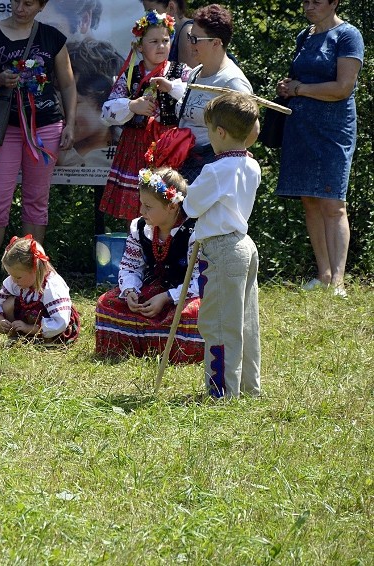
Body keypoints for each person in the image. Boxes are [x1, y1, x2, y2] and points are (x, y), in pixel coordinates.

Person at [0, 0, 77, 285]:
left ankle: (33, 275)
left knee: (37, 201)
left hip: (46, 127)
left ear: (41, 6)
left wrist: (71, 123)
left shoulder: (52, 37)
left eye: (28, 3)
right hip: (3, 128)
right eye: (16, 1)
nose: (20, 8)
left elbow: (67, 84)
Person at [275, 0, 363, 298]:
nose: (308, 6)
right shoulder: (305, 35)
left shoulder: (348, 35)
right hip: (300, 126)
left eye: (316, 1)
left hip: (333, 129)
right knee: (310, 199)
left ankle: (338, 281)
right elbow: (300, 78)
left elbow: (343, 87)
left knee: (333, 203)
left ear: (334, 2)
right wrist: (287, 87)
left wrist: (300, 89)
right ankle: (324, 275)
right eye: (305, 1)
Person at [181, 92, 261, 398]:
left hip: (223, 249)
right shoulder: (251, 165)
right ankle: (247, 388)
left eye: (210, 129)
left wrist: (184, 193)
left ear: (221, 132)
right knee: (244, 321)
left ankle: (222, 392)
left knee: (217, 322)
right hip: (244, 244)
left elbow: (190, 205)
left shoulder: (215, 171)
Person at [95, 167, 202, 362]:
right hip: (151, 290)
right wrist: (130, 291)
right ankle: (141, 346)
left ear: (172, 206)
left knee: (190, 315)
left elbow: (201, 281)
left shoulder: (194, 233)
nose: (141, 211)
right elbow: (130, 266)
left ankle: (170, 352)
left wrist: (168, 297)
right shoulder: (140, 228)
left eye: (149, 206)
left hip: (183, 294)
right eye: (141, 204)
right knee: (106, 304)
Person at [98, 10, 190, 221]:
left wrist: (172, 88)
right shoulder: (130, 74)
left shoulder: (180, 71)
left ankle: (165, 248)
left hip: (169, 148)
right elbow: (106, 112)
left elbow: (193, 98)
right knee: (138, 207)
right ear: (140, 46)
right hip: (136, 148)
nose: (161, 46)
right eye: (154, 41)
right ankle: (137, 245)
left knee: (169, 203)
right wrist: (132, 106)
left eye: (165, 40)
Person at [175, 4, 252, 183]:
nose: (190, 44)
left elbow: (251, 130)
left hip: (211, 169)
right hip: (185, 163)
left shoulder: (232, 81)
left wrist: (225, 159)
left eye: (195, 39)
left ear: (216, 43)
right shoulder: (195, 73)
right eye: (189, 37)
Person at [0, 235, 80, 345]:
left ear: (35, 270)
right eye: (11, 275)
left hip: (55, 331)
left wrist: (29, 328)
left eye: (18, 277)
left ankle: (44, 340)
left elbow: (60, 322)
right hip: (26, 324)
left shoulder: (52, 287)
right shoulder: (14, 282)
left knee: (36, 312)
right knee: (8, 303)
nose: (13, 281)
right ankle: (17, 335)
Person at [56, 39, 124, 168]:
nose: (61, 113)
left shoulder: (125, 150)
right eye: (56, 103)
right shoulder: (49, 146)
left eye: (74, 103)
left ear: (105, 98)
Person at [141, 0, 197, 67]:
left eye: (151, 12)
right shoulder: (170, 33)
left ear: (171, 7)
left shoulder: (186, 32)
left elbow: (188, 76)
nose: (148, 17)